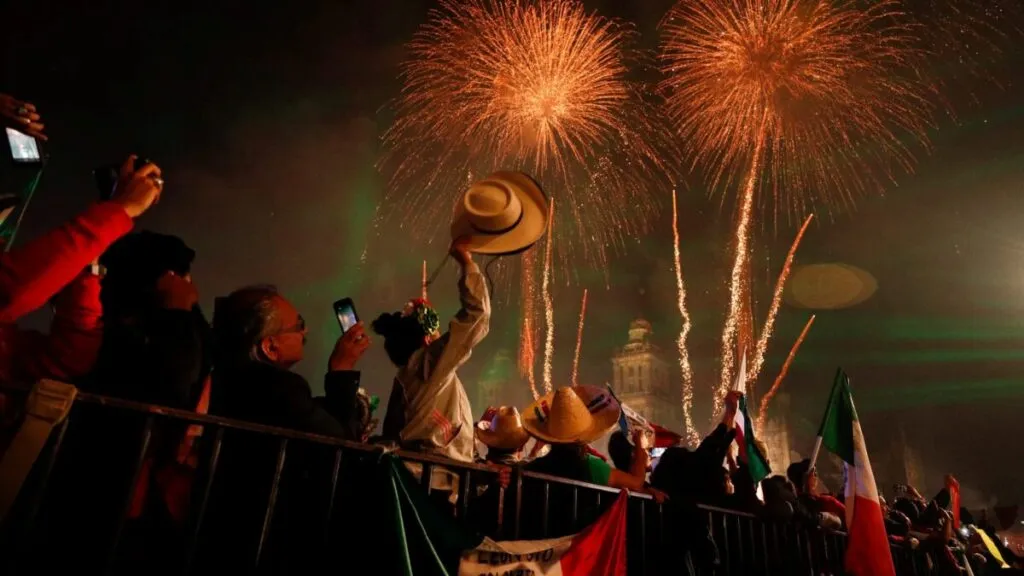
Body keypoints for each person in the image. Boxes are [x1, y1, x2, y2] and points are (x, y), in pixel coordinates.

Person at [375, 237, 487, 463]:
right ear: (427, 339)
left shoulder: (405, 378)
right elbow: (477, 317)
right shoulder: (430, 365)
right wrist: (466, 262)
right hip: (438, 480)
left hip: (420, 475)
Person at [208, 284, 370, 437]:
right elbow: (341, 440)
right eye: (299, 325)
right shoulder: (281, 389)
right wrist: (342, 368)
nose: (305, 331)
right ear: (270, 347)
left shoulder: (218, 379)